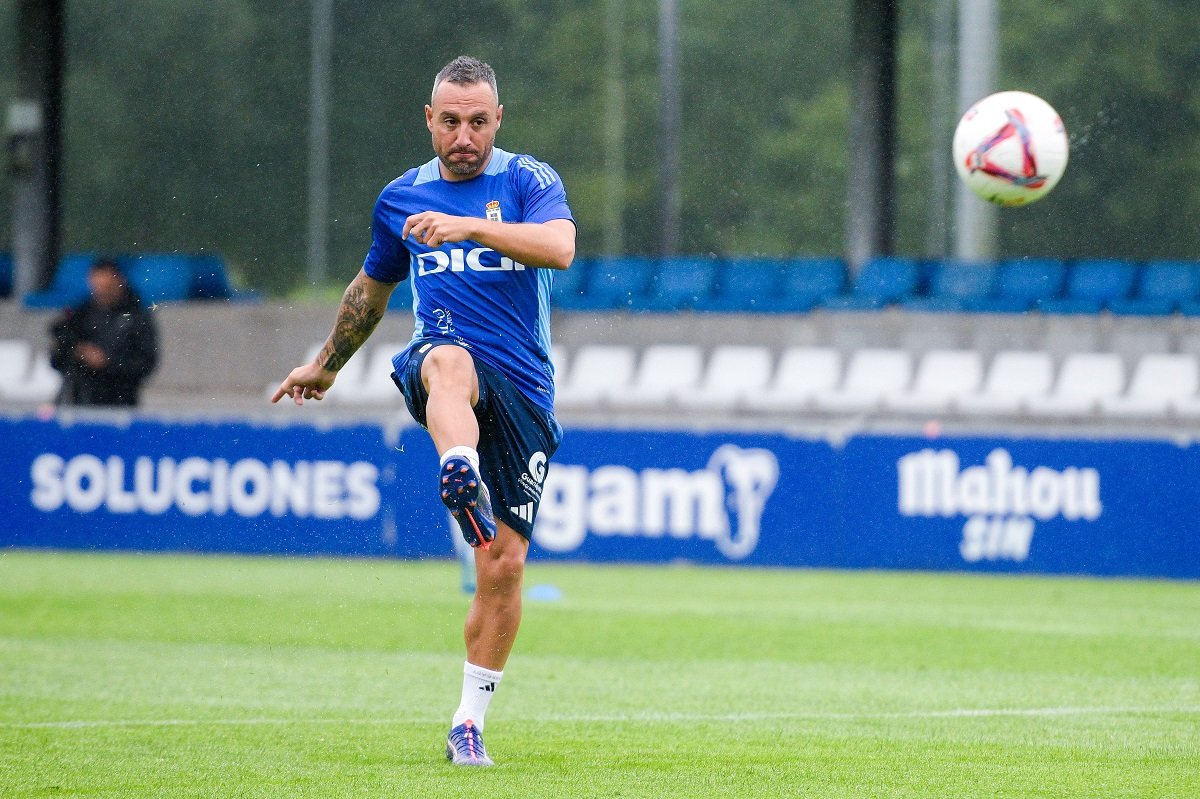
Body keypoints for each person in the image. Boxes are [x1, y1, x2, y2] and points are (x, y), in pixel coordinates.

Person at [272, 55, 575, 767]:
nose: (463, 135)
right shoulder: (401, 199)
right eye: (450, 121)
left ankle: (468, 721)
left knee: (501, 563)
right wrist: (326, 363)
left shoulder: (529, 179)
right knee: (446, 358)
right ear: (429, 119)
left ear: (498, 120)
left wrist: (471, 229)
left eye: (477, 121)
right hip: (446, 369)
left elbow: (560, 247)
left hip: (524, 392)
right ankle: (459, 467)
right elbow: (370, 291)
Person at [49, 257, 159, 406]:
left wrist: (108, 363)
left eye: (107, 287)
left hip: (119, 399)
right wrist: (76, 350)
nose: (102, 293)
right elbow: (57, 360)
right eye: (98, 287)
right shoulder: (80, 314)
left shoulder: (136, 316)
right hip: (78, 398)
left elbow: (145, 363)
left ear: (120, 282)